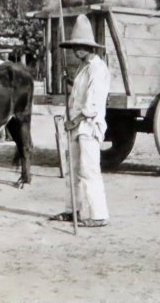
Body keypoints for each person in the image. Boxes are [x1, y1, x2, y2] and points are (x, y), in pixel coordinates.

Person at [50, 14, 111, 228]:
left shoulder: (97, 68)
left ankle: (97, 214)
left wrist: (72, 122)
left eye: (81, 46)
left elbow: (91, 105)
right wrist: (69, 81)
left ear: (90, 47)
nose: (76, 50)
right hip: (77, 128)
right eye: (74, 46)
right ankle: (74, 210)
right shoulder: (82, 68)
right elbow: (78, 95)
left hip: (88, 127)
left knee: (88, 169)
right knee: (74, 169)